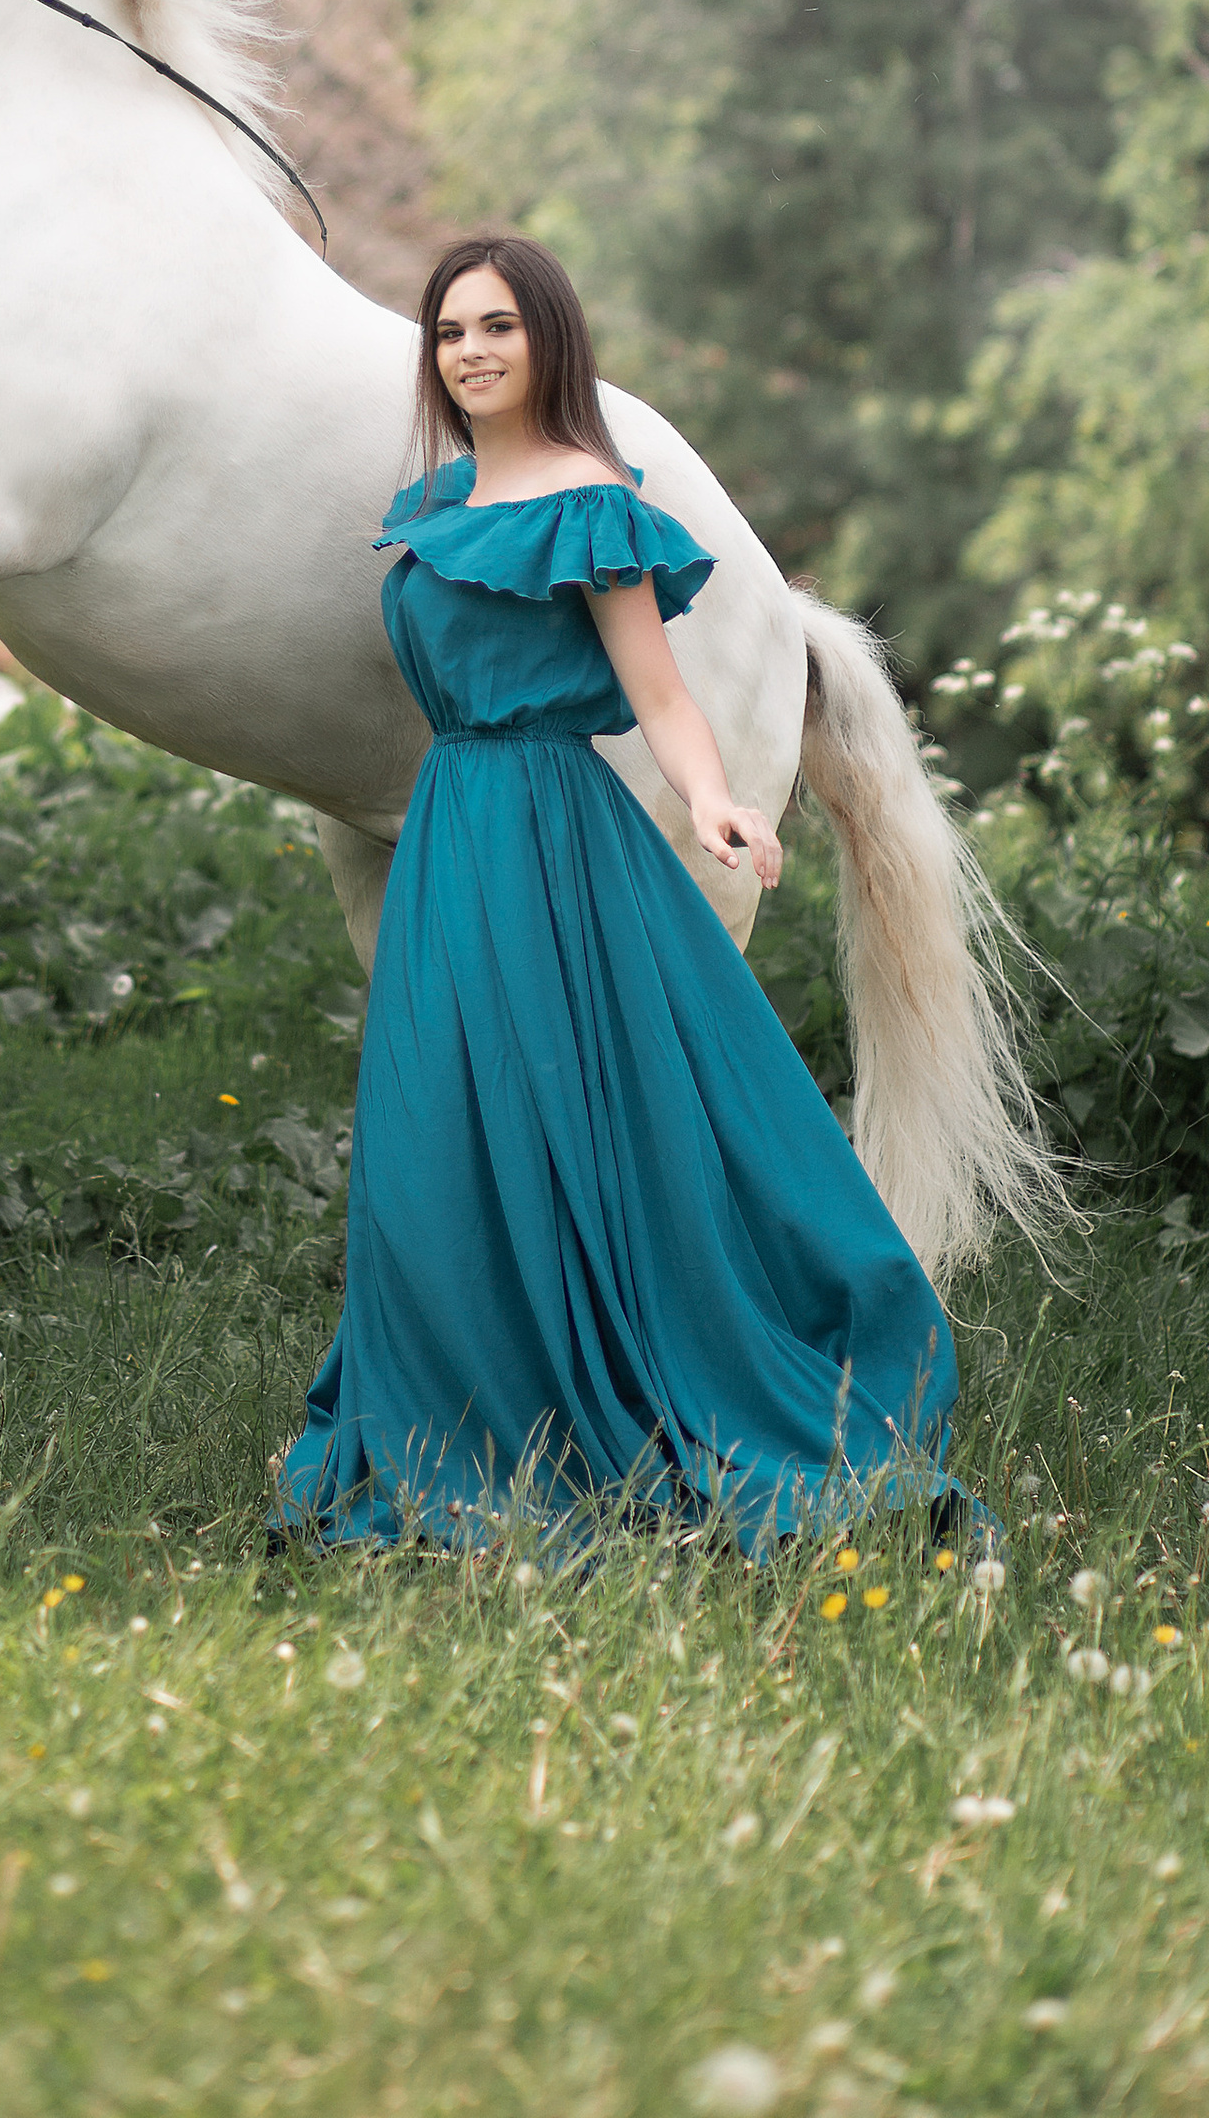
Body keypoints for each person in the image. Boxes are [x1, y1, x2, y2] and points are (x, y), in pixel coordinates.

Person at [272, 233, 970, 1555]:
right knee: (437, 1132)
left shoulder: (594, 504)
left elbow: (660, 691)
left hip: (552, 839)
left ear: (549, 340)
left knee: (569, 1114)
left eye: (497, 327)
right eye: (450, 332)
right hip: (449, 838)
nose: (471, 352)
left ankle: (631, 1393)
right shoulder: (435, 503)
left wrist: (716, 800)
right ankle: (448, 1418)